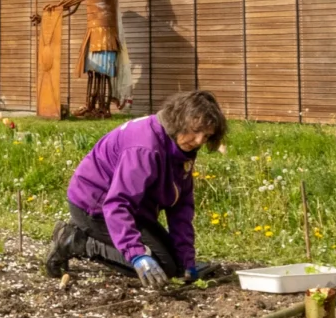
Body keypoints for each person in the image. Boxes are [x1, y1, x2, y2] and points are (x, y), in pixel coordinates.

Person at [44, 88, 229, 288]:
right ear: (181, 120)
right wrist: (136, 254)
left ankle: (168, 259)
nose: (200, 141)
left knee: (175, 264)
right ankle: (77, 241)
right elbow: (117, 204)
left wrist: (186, 259)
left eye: (207, 136)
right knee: (161, 267)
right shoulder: (145, 148)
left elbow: (181, 206)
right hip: (95, 206)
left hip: (133, 207)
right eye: (196, 131)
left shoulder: (181, 145)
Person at [41, 0, 130, 118]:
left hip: (106, 28)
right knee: (93, 71)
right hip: (92, 28)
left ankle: (103, 107)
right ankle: (90, 105)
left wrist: (60, 5)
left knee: (103, 71)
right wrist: (50, 12)